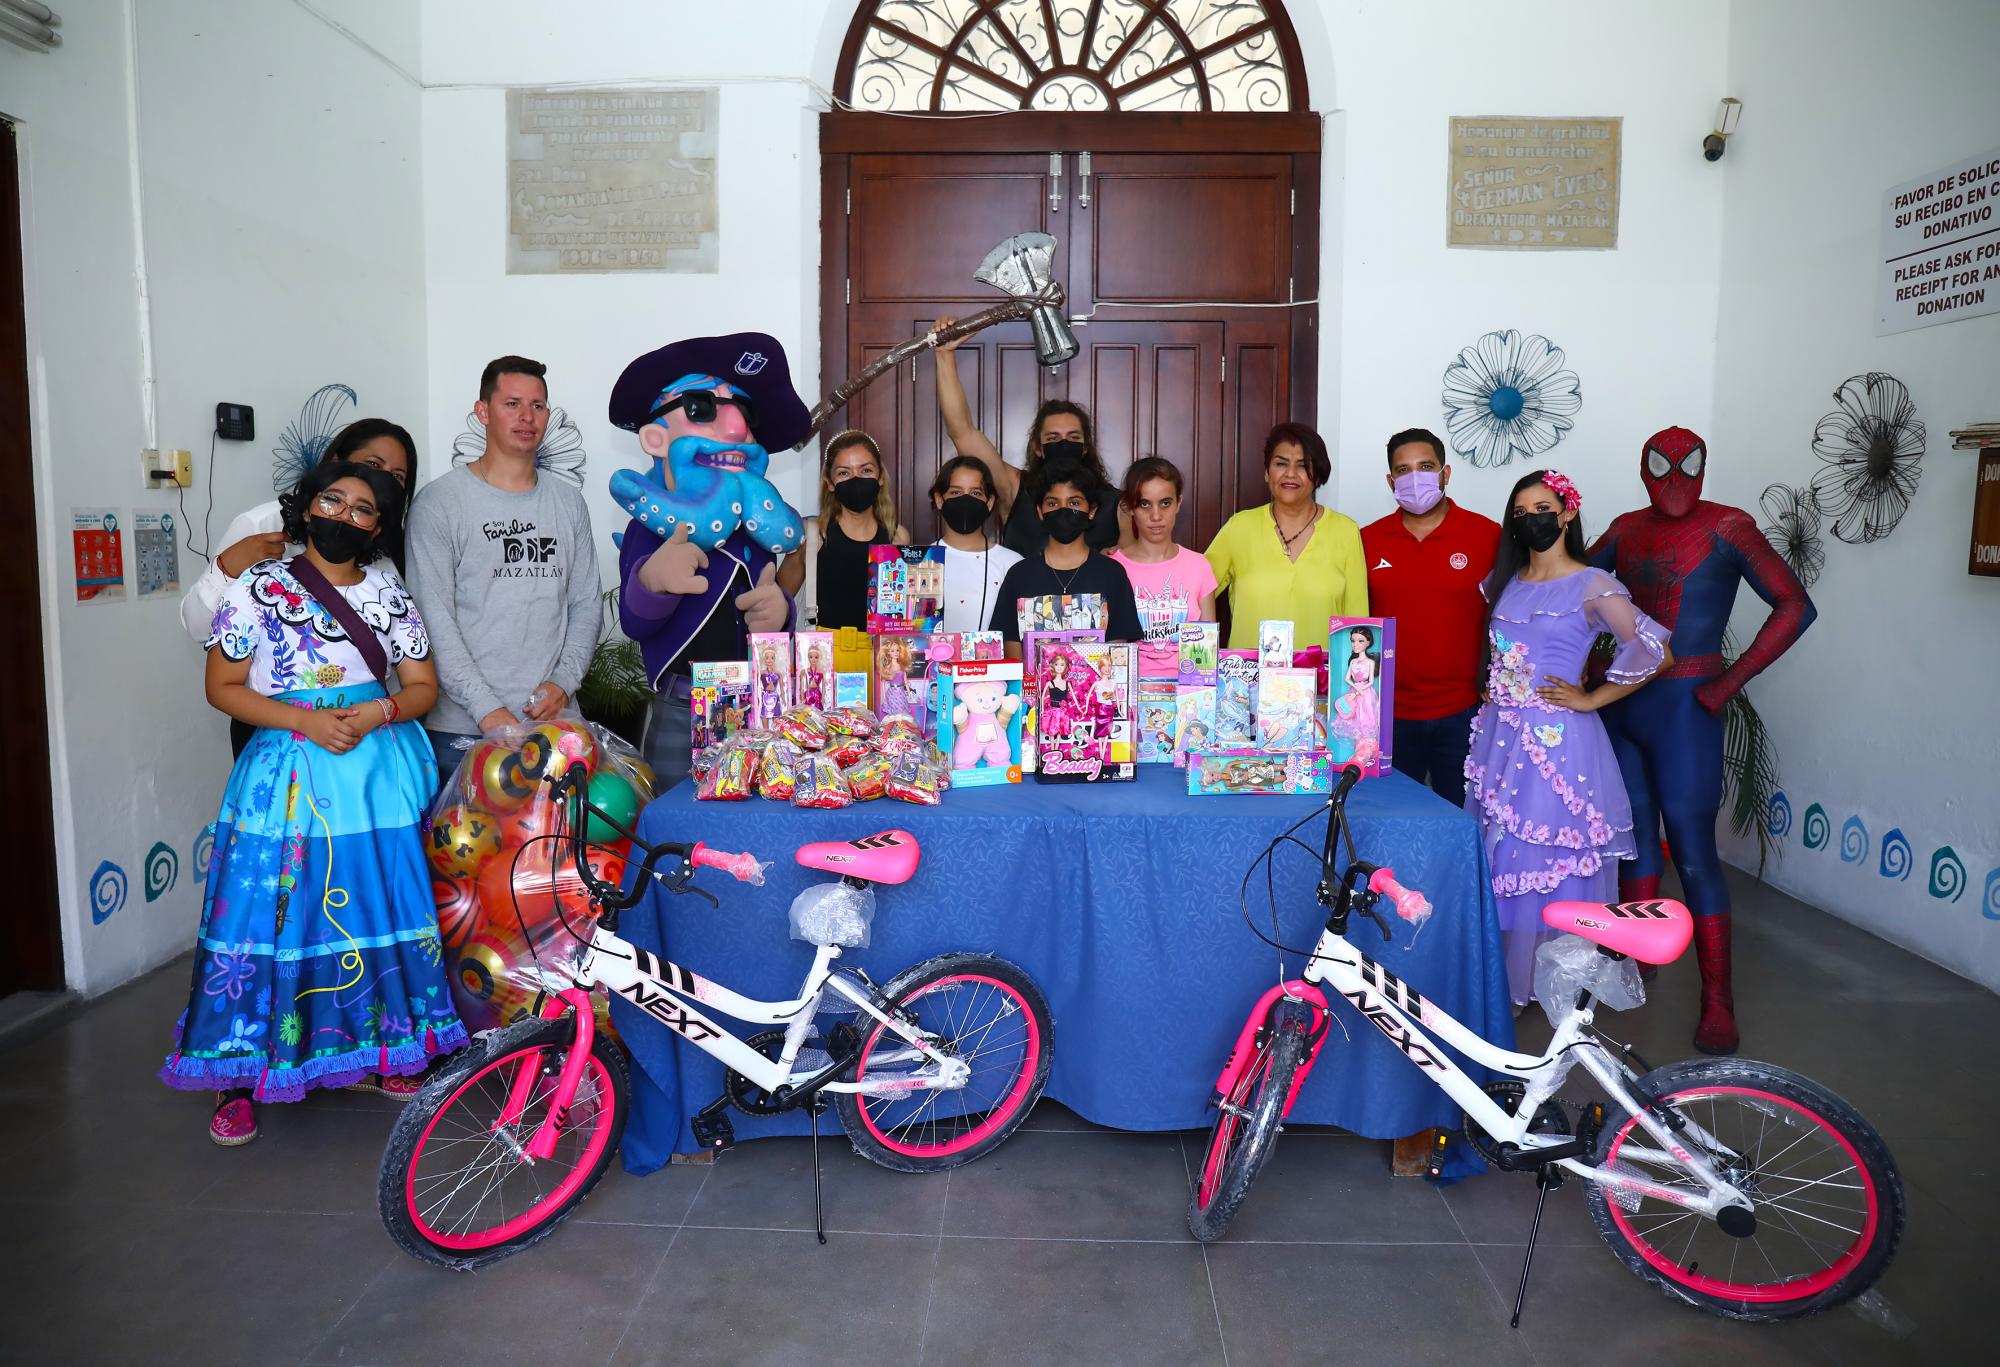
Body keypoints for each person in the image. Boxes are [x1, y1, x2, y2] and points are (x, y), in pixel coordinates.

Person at [160, 461, 467, 1144]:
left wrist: (379, 710)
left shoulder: (389, 593)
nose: (345, 515)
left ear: (379, 526)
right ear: (308, 506)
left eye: (364, 508)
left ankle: (387, 1046)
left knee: (370, 907)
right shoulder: (260, 588)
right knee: (267, 913)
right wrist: (303, 721)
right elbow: (223, 684)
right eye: (334, 500)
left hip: (370, 780)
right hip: (286, 776)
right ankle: (237, 1073)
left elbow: (422, 684)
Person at [1591, 427, 1817, 1055]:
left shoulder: (1729, 526)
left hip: (1686, 704)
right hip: (1629, 702)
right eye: (1661, 467)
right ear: (1643, 470)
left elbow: (1794, 605)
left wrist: (1725, 684)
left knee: (1692, 852)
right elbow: (1569, 586)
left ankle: (1717, 998)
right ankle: (1636, 967)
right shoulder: (1625, 528)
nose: (1674, 480)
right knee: (1636, 844)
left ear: (1703, 467)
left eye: (1687, 466)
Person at [1464, 470, 1670, 1007]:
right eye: (1521, 511)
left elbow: (1653, 651)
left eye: (1541, 507)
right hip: (1500, 740)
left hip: (1557, 745)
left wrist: (1591, 698)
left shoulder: (1593, 584)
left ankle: (1548, 984)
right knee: (1503, 852)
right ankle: (1500, 975)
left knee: (1547, 854)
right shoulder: (1503, 582)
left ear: (1567, 512)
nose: (1530, 518)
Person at [607, 333, 807, 790]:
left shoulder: (758, 534)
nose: (736, 428)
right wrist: (652, 583)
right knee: (676, 833)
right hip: (682, 708)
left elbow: (775, 600)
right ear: (656, 438)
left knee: (756, 827)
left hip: (760, 706)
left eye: (746, 414)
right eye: (702, 408)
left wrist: (782, 612)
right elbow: (635, 622)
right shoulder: (649, 527)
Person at [406, 357, 602, 780]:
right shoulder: (440, 503)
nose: (526, 417)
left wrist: (562, 683)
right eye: (512, 403)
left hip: (555, 724)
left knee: (555, 847)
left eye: (537, 405)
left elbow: (586, 604)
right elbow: (433, 619)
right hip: (463, 733)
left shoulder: (568, 503)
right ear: (483, 412)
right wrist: (487, 711)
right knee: (471, 847)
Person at [181, 418, 421, 757]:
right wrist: (228, 567)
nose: (381, 480)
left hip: (367, 732)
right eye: (372, 465)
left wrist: (377, 711)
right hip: (274, 727)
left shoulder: (387, 559)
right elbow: (198, 627)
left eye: (396, 477)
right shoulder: (262, 524)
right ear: (337, 462)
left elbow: (410, 663)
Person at [1360, 427, 1501, 807]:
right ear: (1391, 481)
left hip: (1464, 711)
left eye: (1425, 466)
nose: (1414, 477)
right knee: (1389, 820)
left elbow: (1509, 615)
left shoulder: (1487, 535)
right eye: (1403, 470)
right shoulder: (1366, 540)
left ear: (1445, 473)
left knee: (1463, 819)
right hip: (1387, 714)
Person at [933, 317, 1121, 556]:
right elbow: (962, 431)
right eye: (1053, 438)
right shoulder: (1015, 488)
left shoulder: (1114, 503)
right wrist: (944, 355)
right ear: (1038, 448)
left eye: (1073, 437)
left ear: (1085, 447)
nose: (1063, 443)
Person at [1205, 423, 1367, 649]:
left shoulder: (1345, 531)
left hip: (1321, 680)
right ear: (1266, 472)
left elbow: (1358, 620)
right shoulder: (1239, 528)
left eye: (1302, 466)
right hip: (1248, 681)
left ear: (1317, 475)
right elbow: (1198, 591)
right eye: (1281, 463)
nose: (1290, 474)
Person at [987, 455, 1145, 647]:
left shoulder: (1112, 574)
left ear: (1092, 510)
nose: (1063, 511)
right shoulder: (1019, 575)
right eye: (1053, 504)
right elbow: (1012, 654)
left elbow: (1118, 655)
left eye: (1074, 503)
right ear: (1039, 511)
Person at [779, 428, 910, 628]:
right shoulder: (812, 534)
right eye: (844, 473)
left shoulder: (897, 537)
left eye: (866, 470)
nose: (855, 479)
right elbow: (779, 605)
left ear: (880, 477)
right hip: (823, 654)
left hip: (881, 653)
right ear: (830, 482)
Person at [1107, 457, 1217, 679]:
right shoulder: (1113, 568)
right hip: (1129, 696)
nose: (1156, 516)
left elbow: (1208, 654)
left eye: (1165, 503)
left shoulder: (1199, 565)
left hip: (1189, 698)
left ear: (1179, 503)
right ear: (1130, 508)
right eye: (1145, 504)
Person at [931, 455, 1023, 633]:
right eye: (956, 492)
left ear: (989, 503)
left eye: (976, 493)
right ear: (939, 499)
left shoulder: (1013, 563)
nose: (966, 499)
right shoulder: (921, 561)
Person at [1329, 626, 1381, 759]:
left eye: (1360, 641)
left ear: (1369, 642)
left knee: (1366, 716)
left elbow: (1370, 681)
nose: (1355, 644)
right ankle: (1359, 749)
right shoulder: (1353, 661)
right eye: (1353, 641)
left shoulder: (1370, 662)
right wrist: (1355, 689)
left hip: (1366, 693)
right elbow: (1347, 679)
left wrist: (1358, 691)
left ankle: (1366, 749)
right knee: (1353, 716)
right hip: (1355, 691)